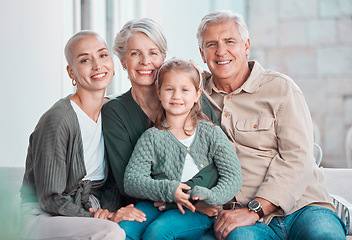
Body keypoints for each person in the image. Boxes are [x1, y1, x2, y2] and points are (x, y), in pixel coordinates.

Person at [196, 10, 347, 240]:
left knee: (324, 236)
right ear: (201, 53)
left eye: (229, 41)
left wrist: (255, 209)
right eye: (211, 44)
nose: (221, 51)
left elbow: (297, 157)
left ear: (246, 45)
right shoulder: (195, 96)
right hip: (242, 217)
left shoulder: (281, 89)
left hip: (303, 207)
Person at [20, 30, 146, 240]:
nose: (97, 65)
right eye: (85, 60)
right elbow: (50, 199)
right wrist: (104, 218)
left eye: (103, 55)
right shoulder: (58, 120)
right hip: (43, 215)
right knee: (112, 232)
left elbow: (111, 183)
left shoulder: (111, 113)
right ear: (71, 73)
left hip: (88, 210)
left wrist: (108, 212)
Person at [101, 18, 221, 218]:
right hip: (143, 209)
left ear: (163, 56)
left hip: (200, 202)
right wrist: (174, 197)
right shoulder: (114, 112)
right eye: (135, 54)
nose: (145, 61)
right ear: (122, 60)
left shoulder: (189, 99)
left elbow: (219, 159)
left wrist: (186, 196)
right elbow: (126, 181)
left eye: (153, 53)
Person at [120, 58, 242, 240]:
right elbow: (132, 180)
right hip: (155, 203)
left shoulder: (211, 133)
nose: (177, 96)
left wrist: (211, 196)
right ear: (159, 92)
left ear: (197, 94)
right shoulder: (152, 137)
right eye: (170, 89)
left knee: (159, 232)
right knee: (125, 230)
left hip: (197, 209)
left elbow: (233, 176)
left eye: (185, 90)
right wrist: (169, 190)